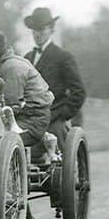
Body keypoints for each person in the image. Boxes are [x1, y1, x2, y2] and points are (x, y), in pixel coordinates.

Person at [0, 28, 53, 148]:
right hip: (25, 117)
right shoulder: (3, 65)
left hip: (32, 121)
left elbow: (10, 105)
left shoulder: (11, 68)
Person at [23, 8, 87, 149]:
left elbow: (79, 92)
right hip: (30, 120)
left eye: (41, 29)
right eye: (34, 29)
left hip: (54, 120)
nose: (37, 34)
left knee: (57, 162)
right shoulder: (27, 58)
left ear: (51, 29)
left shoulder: (63, 57)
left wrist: (62, 116)